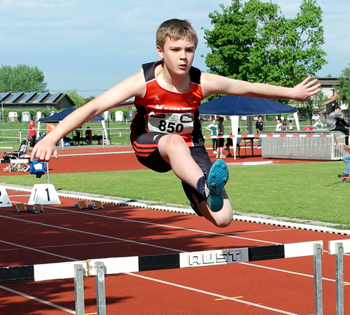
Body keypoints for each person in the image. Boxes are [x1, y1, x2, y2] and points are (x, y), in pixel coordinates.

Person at [30, 19, 320, 228]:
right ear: (160, 51)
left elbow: (247, 87)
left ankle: (201, 192)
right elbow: (93, 107)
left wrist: (292, 93)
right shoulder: (142, 82)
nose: (183, 56)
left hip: (191, 149)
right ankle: (204, 185)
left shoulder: (201, 81)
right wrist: (50, 138)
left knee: (224, 218)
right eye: (176, 49)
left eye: (189, 50)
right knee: (172, 141)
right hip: (150, 145)